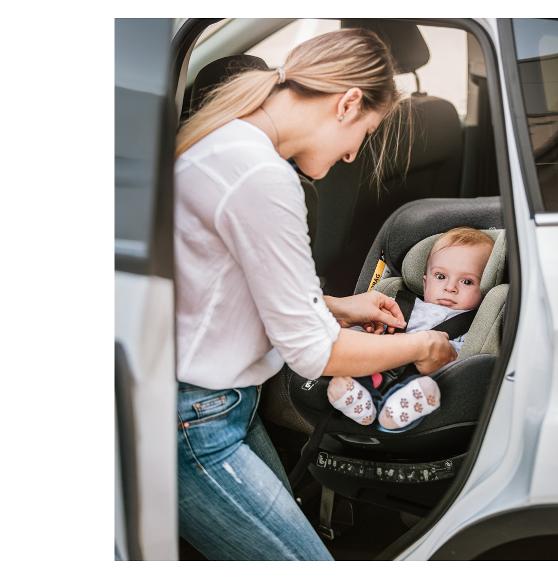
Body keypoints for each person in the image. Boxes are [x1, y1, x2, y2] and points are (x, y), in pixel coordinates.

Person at [173, 28, 457, 561]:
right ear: (348, 103)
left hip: (216, 406)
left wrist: (337, 306)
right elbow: (316, 354)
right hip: (198, 422)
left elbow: (214, 284)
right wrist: (425, 347)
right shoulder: (261, 175)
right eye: (364, 134)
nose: (353, 156)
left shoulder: (229, 142)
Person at [326, 227, 494, 429]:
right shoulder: (399, 304)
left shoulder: (476, 323)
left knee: (425, 388)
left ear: (484, 289)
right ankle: (360, 400)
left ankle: (395, 411)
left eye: (467, 281)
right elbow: (368, 335)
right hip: (379, 366)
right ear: (425, 282)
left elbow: (465, 360)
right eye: (440, 277)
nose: (450, 287)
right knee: (355, 365)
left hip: (425, 377)